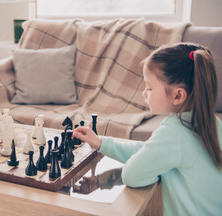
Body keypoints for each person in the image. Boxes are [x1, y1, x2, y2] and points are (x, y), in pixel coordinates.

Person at [73, 42, 222, 215]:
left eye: (150, 88)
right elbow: (149, 151)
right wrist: (101, 143)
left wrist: (155, 171)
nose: (144, 93)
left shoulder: (176, 131)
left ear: (178, 95)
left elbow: (132, 175)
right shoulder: (211, 123)